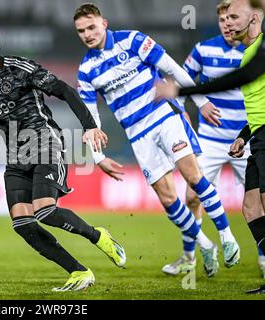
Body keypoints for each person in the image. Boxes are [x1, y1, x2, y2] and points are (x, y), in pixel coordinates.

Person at [0, 23, 127, 292]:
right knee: (22, 224)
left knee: (45, 210)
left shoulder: (21, 69)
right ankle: (78, 271)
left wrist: (89, 126)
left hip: (46, 143)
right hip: (16, 155)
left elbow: (63, 90)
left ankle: (98, 236)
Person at [73, 3, 241, 278]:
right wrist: (98, 158)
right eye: (81, 31)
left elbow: (173, 69)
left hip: (163, 115)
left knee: (193, 177)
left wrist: (200, 101)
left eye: (91, 27)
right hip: (137, 134)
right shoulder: (86, 70)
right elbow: (91, 121)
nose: (87, 34)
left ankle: (227, 236)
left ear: (103, 23)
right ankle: (204, 244)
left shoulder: (133, 40)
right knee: (168, 199)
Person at [156, 0, 265, 294]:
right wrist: (187, 114)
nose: (227, 24)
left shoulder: (255, 50)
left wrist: (185, 91)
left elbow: (242, 80)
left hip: (254, 138)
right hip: (219, 139)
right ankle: (190, 257)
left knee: (260, 204)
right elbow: (181, 77)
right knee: (203, 197)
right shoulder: (205, 50)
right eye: (223, 19)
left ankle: (263, 260)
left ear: (251, 19)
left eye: (233, 18)